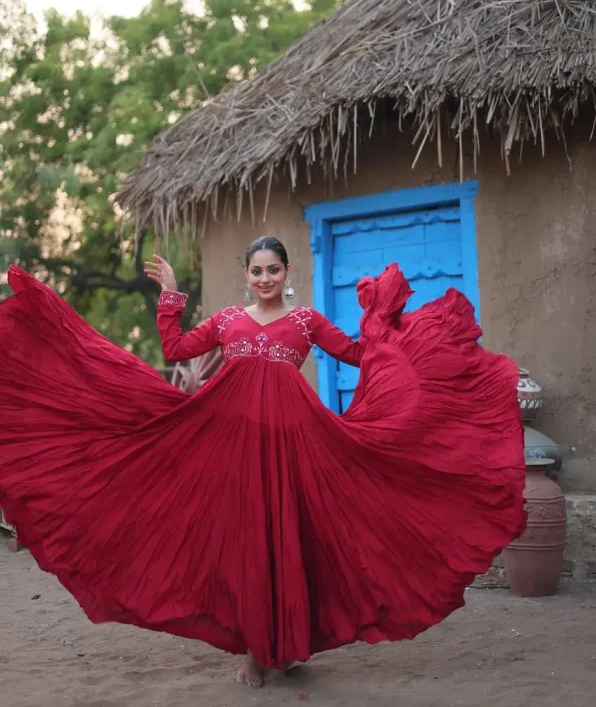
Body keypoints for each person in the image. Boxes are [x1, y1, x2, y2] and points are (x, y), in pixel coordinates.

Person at [0, 235, 526, 689]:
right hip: (235, 446)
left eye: (274, 269)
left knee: (294, 537)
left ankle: (290, 644)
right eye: (257, 271)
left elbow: (357, 355)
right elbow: (177, 348)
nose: (265, 278)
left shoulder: (306, 320)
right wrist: (170, 294)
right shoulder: (228, 320)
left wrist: (385, 328)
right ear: (246, 275)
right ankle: (256, 650)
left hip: (298, 442)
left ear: (287, 272)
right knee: (249, 539)